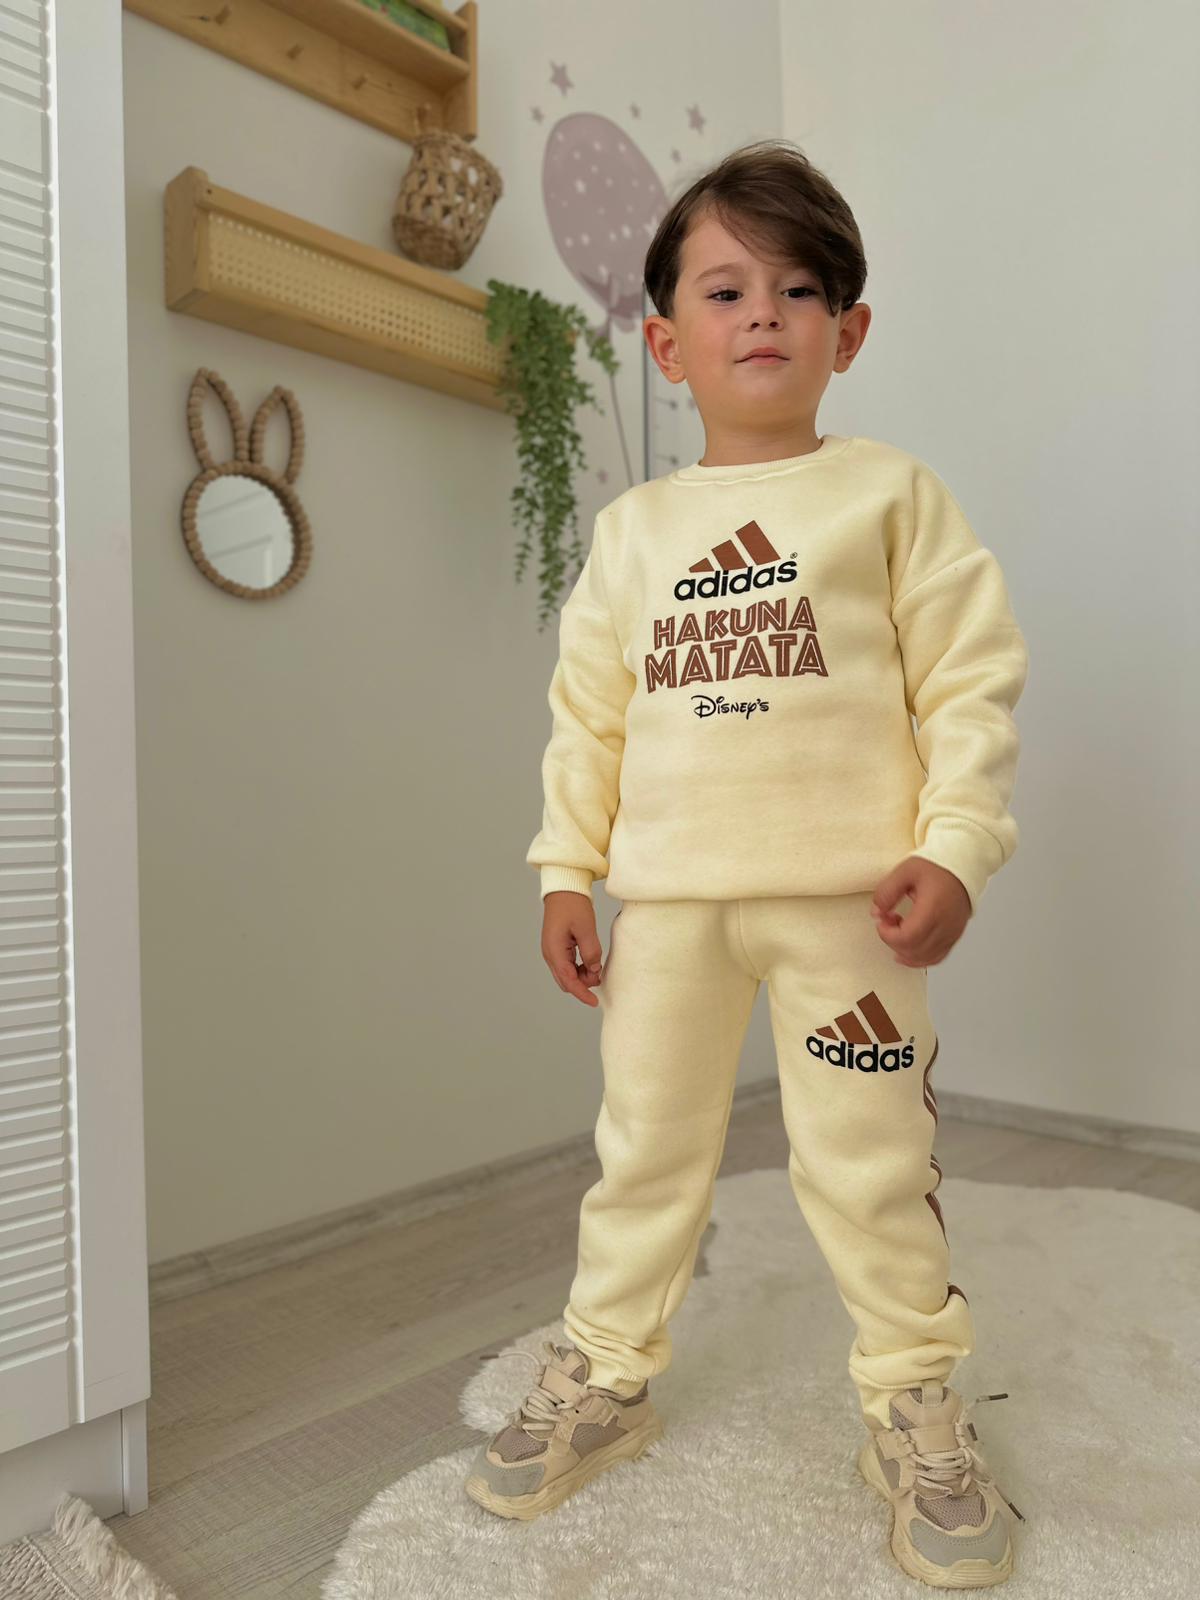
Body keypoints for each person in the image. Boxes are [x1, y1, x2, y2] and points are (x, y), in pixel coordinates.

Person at [465, 138, 1029, 1588]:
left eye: (798, 289)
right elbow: (589, 718)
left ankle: (912, 1400)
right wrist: (563, 871)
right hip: (667, 913)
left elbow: (968, 683)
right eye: (726, 291)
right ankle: (606, 1372)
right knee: (644, 1152)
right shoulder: (632, 535)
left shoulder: (891, 498)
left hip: (853, 914)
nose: (763, 312)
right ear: (669, 343)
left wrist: (957, 847)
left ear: (850, 331)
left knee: (871, 1161)